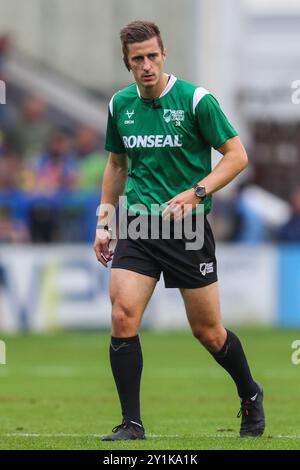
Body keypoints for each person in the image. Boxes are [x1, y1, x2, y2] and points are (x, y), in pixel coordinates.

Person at [94, 21, 265, 441]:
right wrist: (104, 221)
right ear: (128, 64)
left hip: (187, 229)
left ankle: (250, 393)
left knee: (208, 332)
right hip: (137, 223)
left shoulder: (196, 100)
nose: (147, 65)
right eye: (138, 59)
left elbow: (236, 156)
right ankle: (131, 423)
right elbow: (116, 165)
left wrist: (197, 191)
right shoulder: (120, 105)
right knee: (121, 315)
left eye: (153, 56)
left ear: (164, 54)